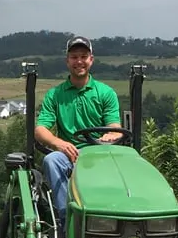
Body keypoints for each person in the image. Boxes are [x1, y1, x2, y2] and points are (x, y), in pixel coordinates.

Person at [34, 35, 124, 228]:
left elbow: (115, 127)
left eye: (83, 56)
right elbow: (41, 129)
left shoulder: (105, 93)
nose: (79, 61)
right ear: (67, 61)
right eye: (74, 57)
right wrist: (58, 143)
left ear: (91, 59)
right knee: (51, 160)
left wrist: (111, 135)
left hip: (101, 154)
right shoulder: (55, 95)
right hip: (71, 155)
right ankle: (69, 220)